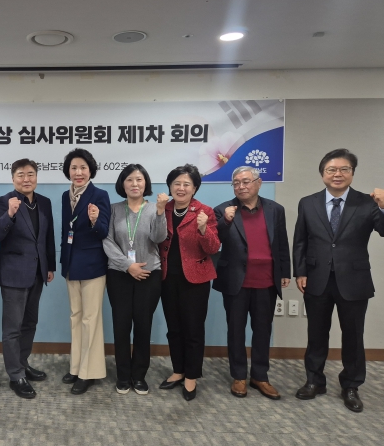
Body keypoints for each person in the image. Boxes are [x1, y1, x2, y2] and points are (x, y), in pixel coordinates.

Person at [293, 148, 384, 413]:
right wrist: (300, 272)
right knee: (316, 334)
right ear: (322, 173)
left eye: (344, 169)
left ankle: (351, 386)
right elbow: (300, 240)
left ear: (352, 173)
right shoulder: (307, 202)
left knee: (353, 336)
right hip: (317, 279)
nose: (337, 174)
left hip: (354, 280)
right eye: (331, 169)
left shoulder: (367, 202)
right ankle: (314, 381)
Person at [213, 166, 291, 400]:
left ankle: (260, 376)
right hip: (235, 280)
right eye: (236, 183)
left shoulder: (275, 209)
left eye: (246, 181)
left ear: (259, 182)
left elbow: (282, 242)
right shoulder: (223, 210)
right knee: (236, 330)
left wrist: (285, 271)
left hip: (266, 280)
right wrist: (226, 221)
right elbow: (214, 240)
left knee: (263, 330)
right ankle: (238, 376)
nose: (241, 186)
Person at [0, 159, 56, 399]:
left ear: (36, 177)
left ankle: (22, 363)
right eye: (21, 175)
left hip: (38, 271)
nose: (26, 179)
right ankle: (15, 375)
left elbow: (47, 236)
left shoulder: (44, 202)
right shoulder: (4, 201)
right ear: (13, 178)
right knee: (12, 328)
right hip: (13, 273)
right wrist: (9, 214)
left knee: (30, 323)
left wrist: (50, 265)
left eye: (30, 174)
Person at [103, 164, 168, 395]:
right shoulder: (113, 209)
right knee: (121, 326)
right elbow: (107, 241)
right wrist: (127, 265)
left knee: (143, 325)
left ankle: (139, 376)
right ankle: (123, 375)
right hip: (119, 274)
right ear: (122, 184)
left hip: (149, 274)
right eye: (129, 179)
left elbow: (159, 238)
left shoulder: (154, 209)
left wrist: (160, 212)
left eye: (139, 179)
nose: (134, 184)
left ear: (146, 183)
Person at [158, 164, 219, 401]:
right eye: (177, 183)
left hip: (195, 279)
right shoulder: (164, 208)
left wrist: (203, 228)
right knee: (174, 328)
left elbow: (213, 247)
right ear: (170, 186)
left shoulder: (205, 211)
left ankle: (192, 376)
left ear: (194, 188)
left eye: (186, 184)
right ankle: (178, 370)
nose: (181, 188)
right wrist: (158, 211)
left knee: (193, 329)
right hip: (166, 277)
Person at [58, 149, 111, 395]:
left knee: (91, 319)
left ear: (91, 170)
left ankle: (89, 372)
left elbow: (104, 232)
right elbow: (65, 231)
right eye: (74, 168)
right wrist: (62, 262)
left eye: (83, 168)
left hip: (92, 265)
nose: (78, 172)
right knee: (75, 316)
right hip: (71, 264)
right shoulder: (65, 196)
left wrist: (95, 220)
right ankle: (76, 366)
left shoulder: (100, 195)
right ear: (68, 171)